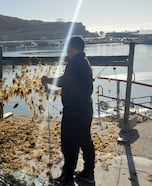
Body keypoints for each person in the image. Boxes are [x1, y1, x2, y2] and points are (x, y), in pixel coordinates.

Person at [42, 36, 95, 185]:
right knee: (84, 141)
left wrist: (48, 80)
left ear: (72, 48)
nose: (66, 52)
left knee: (69, 144)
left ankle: (67, 177)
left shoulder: (76, 63)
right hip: (84, 109)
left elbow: (65, 81)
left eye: (67, 49)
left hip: (75, 112)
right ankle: (87, 173)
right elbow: (73, 84)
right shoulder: (83, 62)